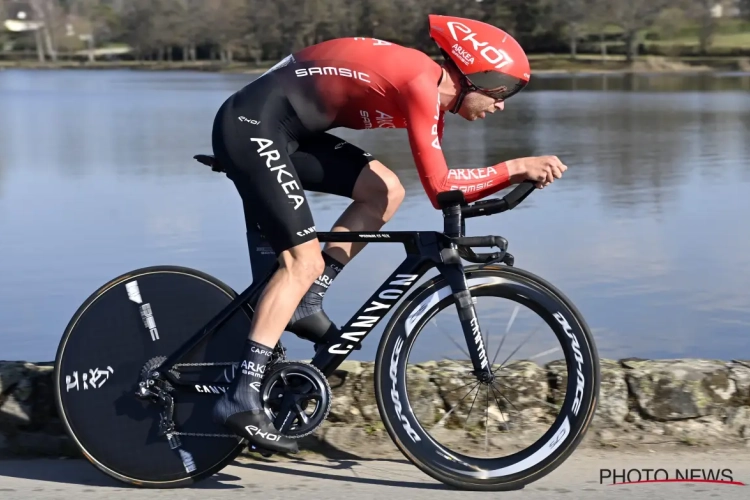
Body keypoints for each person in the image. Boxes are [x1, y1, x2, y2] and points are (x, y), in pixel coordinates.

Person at [211, 14, 568, 454]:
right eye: (502, 92)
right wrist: (514, 168)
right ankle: (239, 395)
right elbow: (441, 188)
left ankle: (307, 298)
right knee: (300, 261)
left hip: (290, 133)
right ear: (477, 76)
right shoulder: (419, 81)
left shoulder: (428, 94)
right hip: (251, 127)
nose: (502, 106)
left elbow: (443, 185)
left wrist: (504, 181)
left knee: (385, 190)